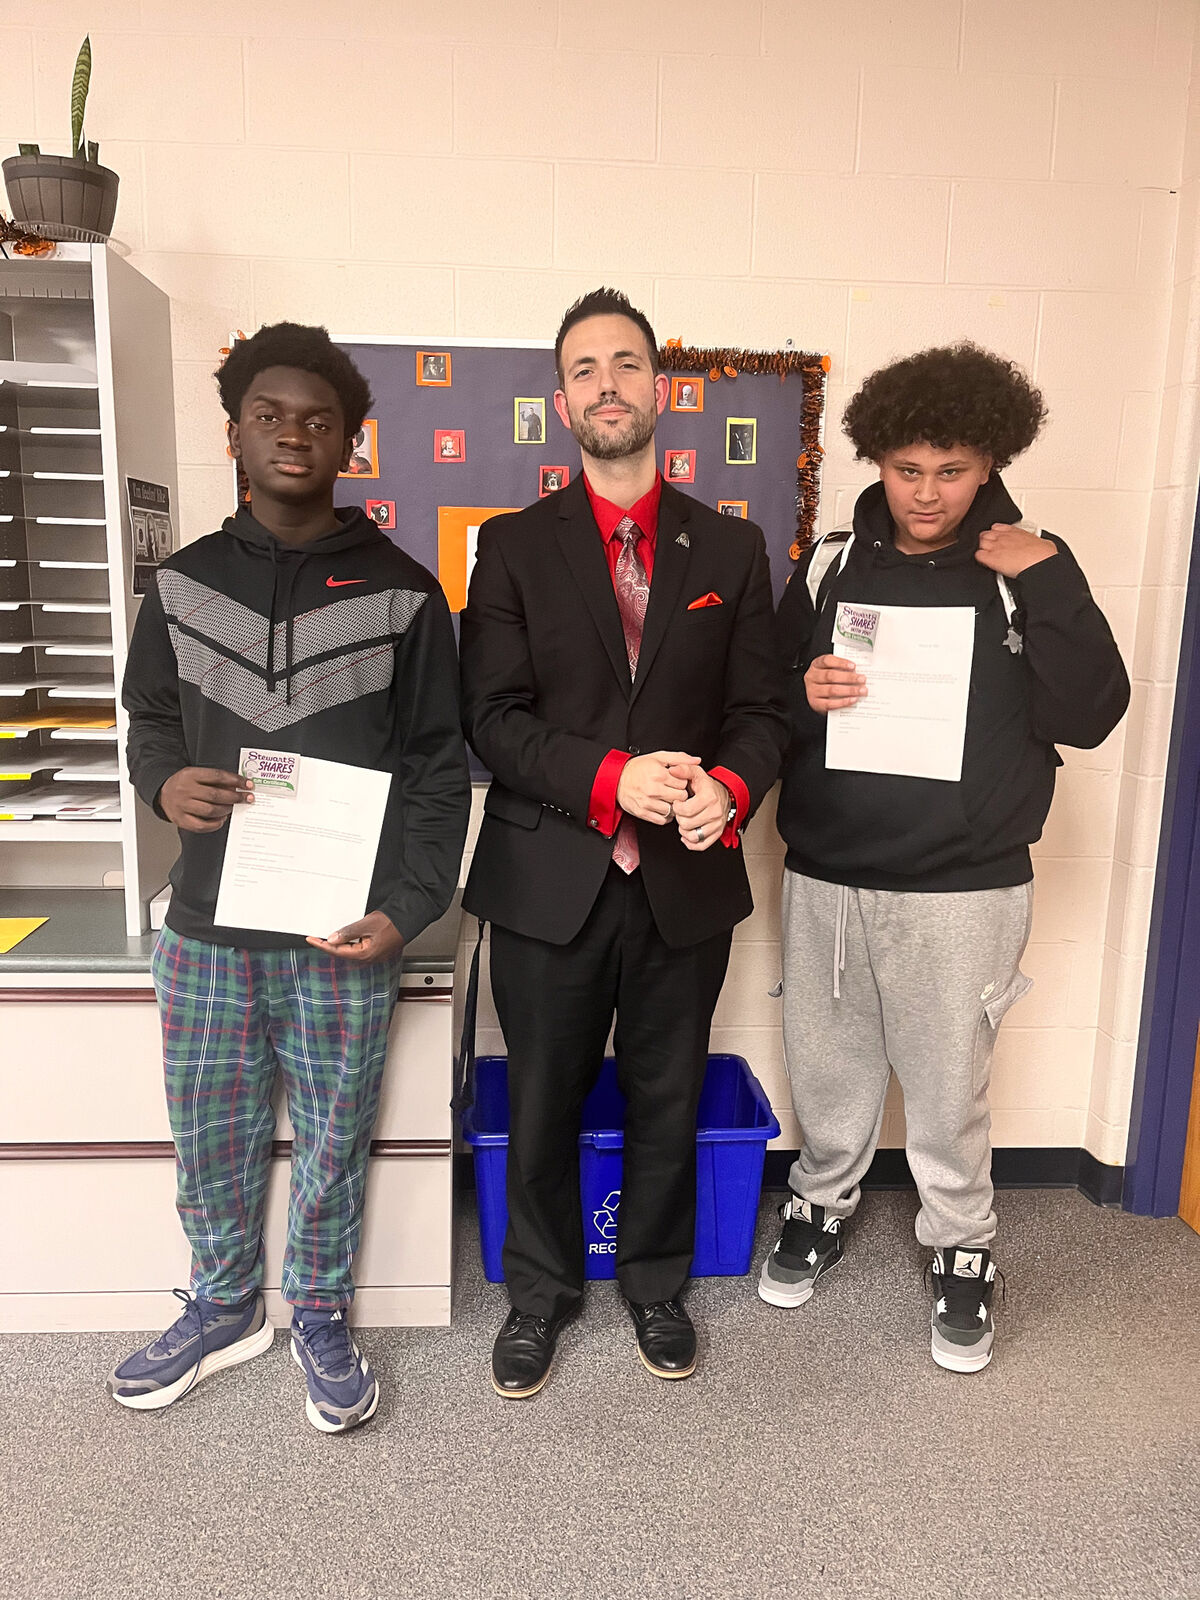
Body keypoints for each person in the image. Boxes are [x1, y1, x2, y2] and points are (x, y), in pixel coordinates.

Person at [113, 322, 470, 1431]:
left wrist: (406, 909)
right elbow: (149, 723)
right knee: (209, 1130)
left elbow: (435, 767)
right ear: (235, 431)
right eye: (270, 415)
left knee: (331, 1136)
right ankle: (225, 1304)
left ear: (350, 443)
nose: (293, 436)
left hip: (336, 933)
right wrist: (166, 784)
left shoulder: (408, 593)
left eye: (319, 421)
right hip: (209, 928)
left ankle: (316, 1310)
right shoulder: (178, 585)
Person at [762, 343, 1129, 1372]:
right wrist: (805, 693)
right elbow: (762, 704)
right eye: (908, 468)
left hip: (966, 883)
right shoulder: (832, 563)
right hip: (830, 870)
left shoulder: (1028, 568)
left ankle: (962, 1249)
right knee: (828, 1065)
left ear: (991, 464)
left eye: (953, 470)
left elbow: (1093, 713)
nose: (928, 493)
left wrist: (1048, 581)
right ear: (877, 458)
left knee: (949, 1080)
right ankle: (820, 1203)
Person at [460, 287, 787, 1398]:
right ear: (563, 401)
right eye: (586, 368)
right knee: (544, 1093)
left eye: (627, 363)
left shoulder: (733, 549)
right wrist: (613, 778)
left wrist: (731, 787)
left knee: (668, 1090)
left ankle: (655, 1282)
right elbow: (491, 719)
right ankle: (540, 1296)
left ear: (660, 388)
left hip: (686, 880)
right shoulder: (510, 548)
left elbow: (762, 710)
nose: (608, 383)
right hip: (551, 873)